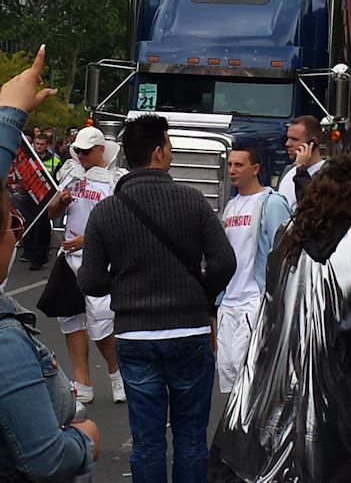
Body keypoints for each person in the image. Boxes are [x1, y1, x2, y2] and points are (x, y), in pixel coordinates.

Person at [208, 156, 351, 483]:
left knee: (281, 424)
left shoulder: (290, 232)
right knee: (330, 437)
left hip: (284, 350)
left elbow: (272, 289)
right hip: (335, 359)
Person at [78, 114, 236, 483]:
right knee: (191, 438)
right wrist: (199, 292)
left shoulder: (106, 212)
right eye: (169, 146)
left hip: (134, 336)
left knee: (148, 442)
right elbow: (224, 262)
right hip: (189, 334)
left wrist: (127, 287)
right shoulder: (193, 201)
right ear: (159, 151)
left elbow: (91, 282)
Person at [0, 46, 100, 481]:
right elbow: (46, 460)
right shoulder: (5, 344)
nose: (17, 233)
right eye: (11, 225)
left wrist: (8, 114)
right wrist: (87, 440)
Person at [47, 126, 128, 404]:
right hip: (68, 258)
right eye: (77, 150)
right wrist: (61, 201)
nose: (80, 155)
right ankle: (83, 381)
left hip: (99, 260)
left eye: (85, 150)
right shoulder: (71, 174)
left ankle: (117, 373)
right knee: (70, 318)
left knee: (101, 323)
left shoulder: (116, 181)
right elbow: (53, 212)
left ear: (100, 150)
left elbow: (122, 224)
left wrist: (89, 241)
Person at [217, 146, 290, 393]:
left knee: (246, 368)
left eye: (239, 165)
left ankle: (251, 428)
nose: (232, 170)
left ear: (256, 169)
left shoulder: (270, 202)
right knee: (227, 370)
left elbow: (284, 250)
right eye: (229, 165)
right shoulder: (231, 206)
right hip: (228, 300)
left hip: (255, 299)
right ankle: (236, 425)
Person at [21, 131, 59, 270]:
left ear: (47, 145)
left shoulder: (55, 160)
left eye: (42, 144)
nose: (38, 147)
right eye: (36, 144)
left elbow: (58, 179)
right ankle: (28, 251)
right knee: (28, 225)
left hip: (45, 199)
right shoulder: (29, 157)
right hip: (29, 197)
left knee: (41, 228)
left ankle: (39, 256)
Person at [277, 115, 324, 212]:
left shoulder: (327, 173)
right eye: (288, 138)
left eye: (294, 139)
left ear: (313, 142)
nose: (288, 144)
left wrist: (301, 168)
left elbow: (313, 208)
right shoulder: (288, 170)